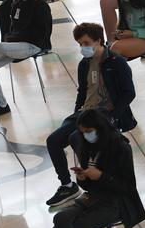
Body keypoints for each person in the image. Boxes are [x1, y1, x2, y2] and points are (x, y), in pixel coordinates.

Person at [45, 23, 136, 207]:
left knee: (75, 138)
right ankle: (67, 185)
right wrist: (76, 112)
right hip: (85, 113)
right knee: (53, 140)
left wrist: (113, 116)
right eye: (79, 44)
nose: (82, 47)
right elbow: (82, 92)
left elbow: (129, 93)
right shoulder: (84, 64)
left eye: (85, 43)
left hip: (105, 115)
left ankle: (92, 186)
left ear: (99, 41)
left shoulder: (116, 62)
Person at [50, 109, 145, 228]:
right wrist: (82, 178)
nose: (85, 135)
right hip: (93, 198)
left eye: (88, 131)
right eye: (82, 132)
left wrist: (101, 176)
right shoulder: (87, 147)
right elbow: (89, 186)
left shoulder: (120, 147)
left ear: (100, 128)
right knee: (60, 220)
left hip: (116, 203)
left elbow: (128, 188)